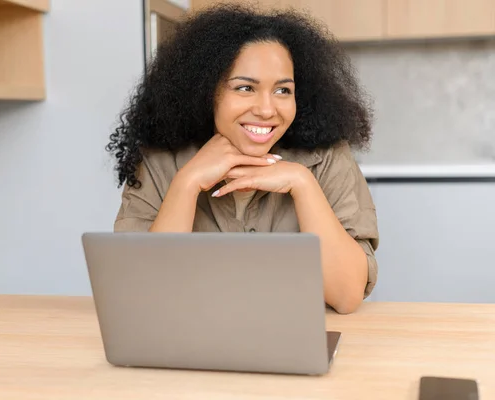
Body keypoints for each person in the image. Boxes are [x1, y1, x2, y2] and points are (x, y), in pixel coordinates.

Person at [106, 4, 379, 314]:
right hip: (188, 346)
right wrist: (188, 182)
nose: (266, 109)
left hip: (294, 344)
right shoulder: (158, 162)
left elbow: (346, 296)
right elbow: (143, 295)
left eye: (282, 90)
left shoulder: (328, 157)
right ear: (206, 91)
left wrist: (302, 183)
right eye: (245, 88)